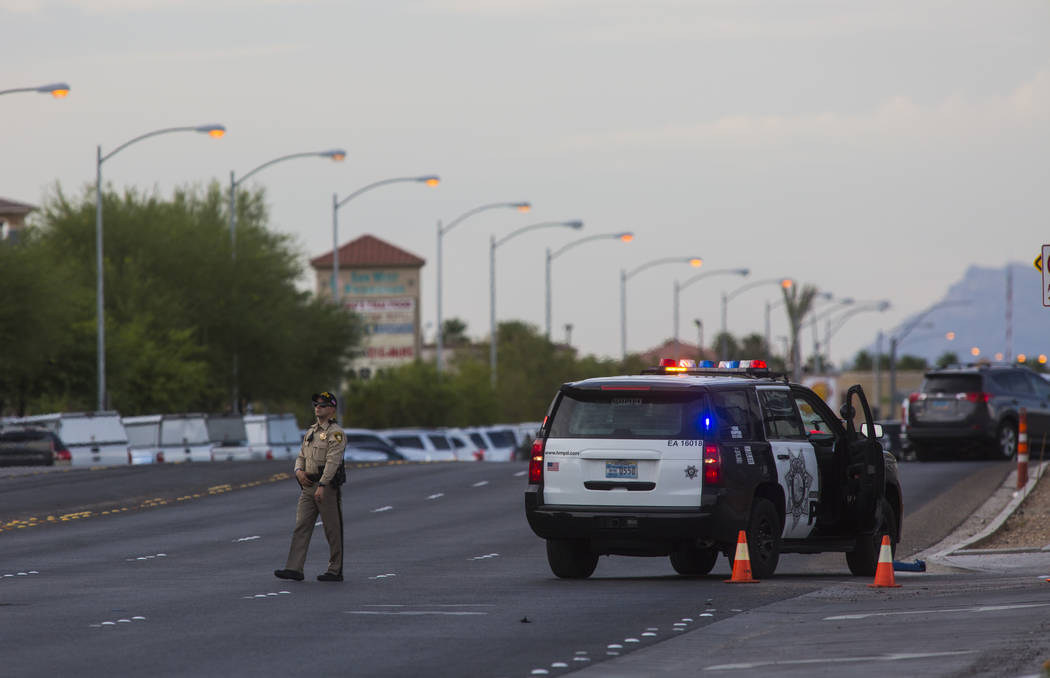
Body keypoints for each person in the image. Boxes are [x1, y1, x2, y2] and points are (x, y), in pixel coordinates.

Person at [275, 391, 347, 582]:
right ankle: (294, 568)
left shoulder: (336, 433)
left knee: (332, 529)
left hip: (326, 486)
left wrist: (323, 485)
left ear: (332, 409)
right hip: (308, 484)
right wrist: (298, 471)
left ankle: (335, 569)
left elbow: (333, 462)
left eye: (322, 405)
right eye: (316, 404)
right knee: (301, 526)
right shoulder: (311, 432)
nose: (318, 408)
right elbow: (301, 455)